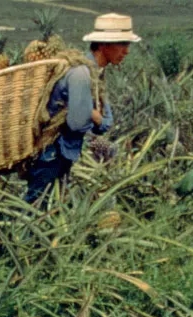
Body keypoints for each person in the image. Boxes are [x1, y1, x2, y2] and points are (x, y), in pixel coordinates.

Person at [24, 13, 141, 204]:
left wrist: (97, 118)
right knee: (35, 206)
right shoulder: (81, 74)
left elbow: (105, 123)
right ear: (103, 45)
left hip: (62, 152)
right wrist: (95, 118)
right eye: (122, 44)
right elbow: (77, 124)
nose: (127, 51)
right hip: (52, 153)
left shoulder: (95, 73)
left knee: (47, 206)